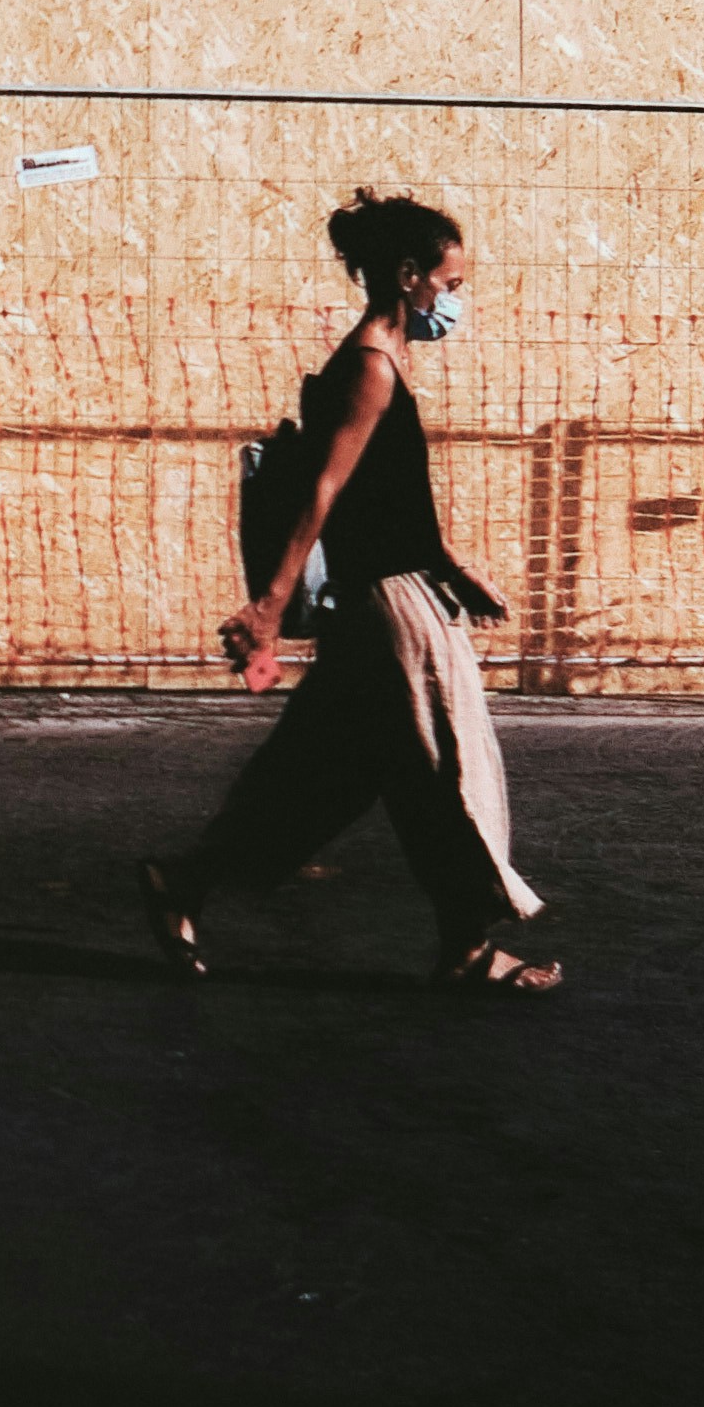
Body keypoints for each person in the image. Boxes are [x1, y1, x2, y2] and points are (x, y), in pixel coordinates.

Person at [137, 185, 560, 993]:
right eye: (451, 283)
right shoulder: (369, 366)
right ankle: (468, 951)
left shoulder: (381, 362)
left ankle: (185, 882)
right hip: (390, 613)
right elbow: (323, 493)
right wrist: (268, 606)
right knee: (450, 769)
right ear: (408, 276)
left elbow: (381, 500)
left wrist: (450, 562)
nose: (454, 301)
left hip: (392, 593)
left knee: (320, 772)